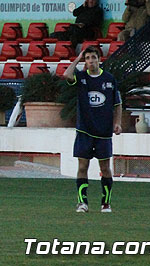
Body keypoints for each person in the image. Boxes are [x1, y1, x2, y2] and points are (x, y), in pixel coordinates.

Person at [62, 46, 122, 213]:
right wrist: (77, 58)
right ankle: (83, 203)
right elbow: (66, 75)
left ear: (99, 59)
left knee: (105, 168)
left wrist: (117, 123)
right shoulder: (80, 77)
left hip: (103, 132)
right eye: (87, 58)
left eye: (93, 57)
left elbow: (117, 103)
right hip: (84, 131)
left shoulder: (109, 79)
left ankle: (106, 203)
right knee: (82, 167)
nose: (90, 61)